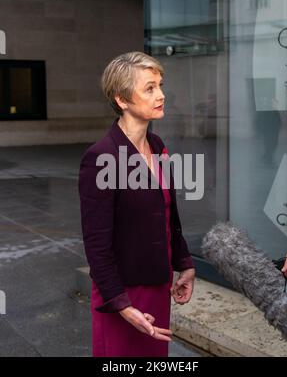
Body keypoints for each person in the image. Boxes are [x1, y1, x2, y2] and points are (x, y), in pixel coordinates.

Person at [78, 51, 195, 357]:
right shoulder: (100, 158)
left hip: (158, 284)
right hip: (122, 293)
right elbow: (96, 245)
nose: (161, 95)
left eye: (160, 85)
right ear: (122, 100)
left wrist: (184, 264)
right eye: (149, 88)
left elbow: (169, 214)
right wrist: (122, 305)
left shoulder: (157, 146)